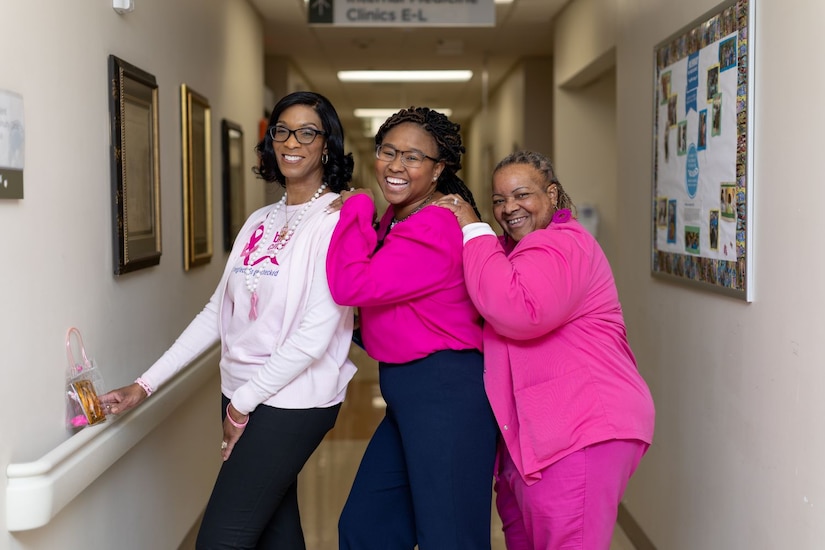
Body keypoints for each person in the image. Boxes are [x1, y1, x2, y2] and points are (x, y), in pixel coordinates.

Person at [100, 91, 357, 550]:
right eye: (281, 130)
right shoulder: (261, 218)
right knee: (276, 530)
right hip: (239, 391)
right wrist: (144, 384)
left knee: (221, 539)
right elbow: (216, 313)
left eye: (307, 132)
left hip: (292, 401)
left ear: (326, 144)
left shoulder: (337, 221)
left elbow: (314, 336)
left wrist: (243, 404)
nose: (291, 141)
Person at [436, 150, 655, 550]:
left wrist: (474, 228)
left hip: (582, 428)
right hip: (537, 435)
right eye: (499, 200)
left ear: (552, 194)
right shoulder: (515, 252)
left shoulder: (561, 245)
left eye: (522, 194)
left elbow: (519, 312)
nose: (508, 208)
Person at [324, 107, 498, 549]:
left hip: (446, 391)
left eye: (414, 157)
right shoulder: (399, 216)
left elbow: (352, 283)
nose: (396, 165)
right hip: (409, 393)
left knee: (449, 536)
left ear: (439, 169)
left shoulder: (434, 224)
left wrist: (357, 203)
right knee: (367, 526)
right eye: (388, 151)